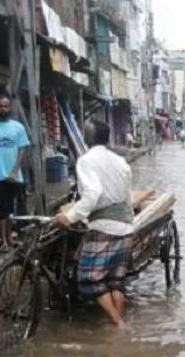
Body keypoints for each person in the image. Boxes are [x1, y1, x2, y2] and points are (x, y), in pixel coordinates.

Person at [56, 120, 134, 328]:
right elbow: (127, 196)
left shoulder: (86, 160)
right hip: (125, 225)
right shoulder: (120, 161)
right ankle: (117, 327)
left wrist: (70, 217)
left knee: (88, 278)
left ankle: (117, 322)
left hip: (104, 226)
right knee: (116, 280)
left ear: (88, 137)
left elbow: (92, 193)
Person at [0, 95, 30, 252]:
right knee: (2, 209)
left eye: (6, 106)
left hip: (13, 177)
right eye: (0, 106)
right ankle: (4, 241)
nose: (3, 109)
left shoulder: (18, 127)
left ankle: (9, 238)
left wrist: (15, 171)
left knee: (9, 209)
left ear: (10, 108)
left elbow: (23, 150)